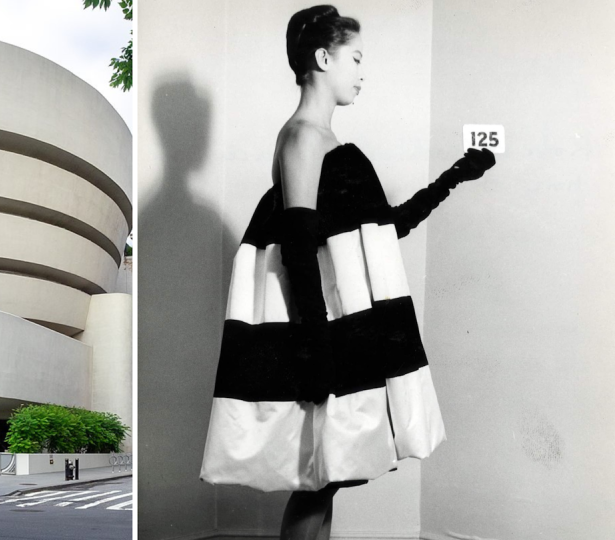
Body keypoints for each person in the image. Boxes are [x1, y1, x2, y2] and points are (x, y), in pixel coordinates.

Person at [198, 5, 496, 540]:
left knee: (327, 477)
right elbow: (296, 247)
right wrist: (315, 354)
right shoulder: (303, 137)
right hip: (323, 333)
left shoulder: (323, 140)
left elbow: (381, 232)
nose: (362, 72)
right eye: (355, 58)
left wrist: (454, 176)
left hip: (339, 328)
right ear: (323, 57)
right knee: (318, 480)